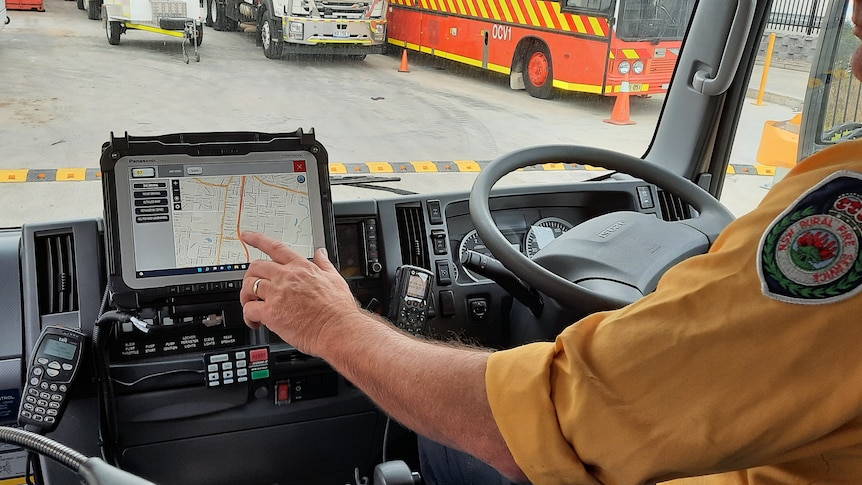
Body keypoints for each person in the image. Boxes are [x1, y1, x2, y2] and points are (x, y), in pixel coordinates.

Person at [240, 3, 862, 483]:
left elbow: (538, 423)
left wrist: (333, 325)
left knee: (444, 441)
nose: (855, 60)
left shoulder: (842, 216)